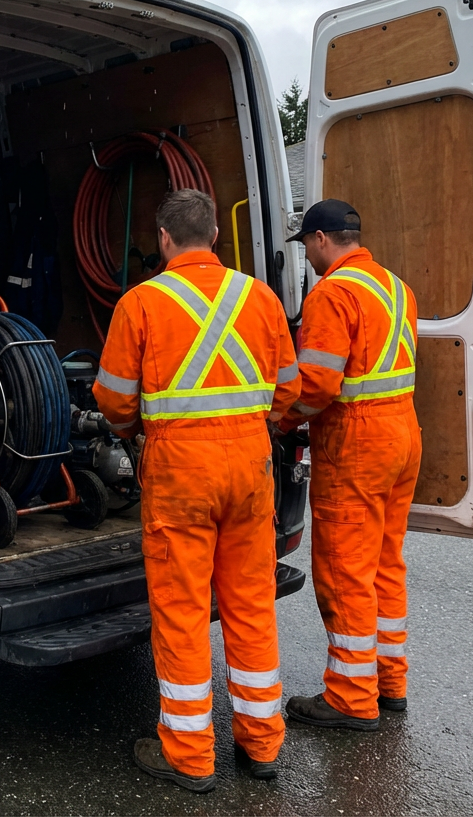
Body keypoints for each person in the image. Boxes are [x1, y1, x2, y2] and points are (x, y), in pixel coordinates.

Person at [93, 189, 300, 793]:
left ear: (163, 238)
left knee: (182, 612)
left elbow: (111, 399)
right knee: (251, 605)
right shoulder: (258, 296)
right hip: (251, 465)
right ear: (215, 235)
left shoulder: (141, 302)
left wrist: (137, 432)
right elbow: (286, 389)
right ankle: (262, 745)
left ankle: (189, 756)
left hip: (181, 470)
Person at [280, 199, 421, 732]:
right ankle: (389, 681)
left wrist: (279, 419)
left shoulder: (332, 293)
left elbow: (317, 387)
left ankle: (350, 696)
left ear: (320, 239)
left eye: (307, 248)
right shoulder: (394, 286)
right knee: (386, 563)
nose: (309, 258)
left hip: (357, 440)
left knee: (345, 568)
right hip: (402, 434)